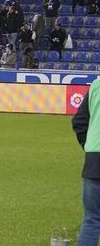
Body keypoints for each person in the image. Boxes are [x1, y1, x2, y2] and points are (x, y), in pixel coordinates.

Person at [72, 78, 100, 245]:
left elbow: (79, 121)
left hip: (94, 159)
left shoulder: (97, 84)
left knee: (91, 221)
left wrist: (89, 147)